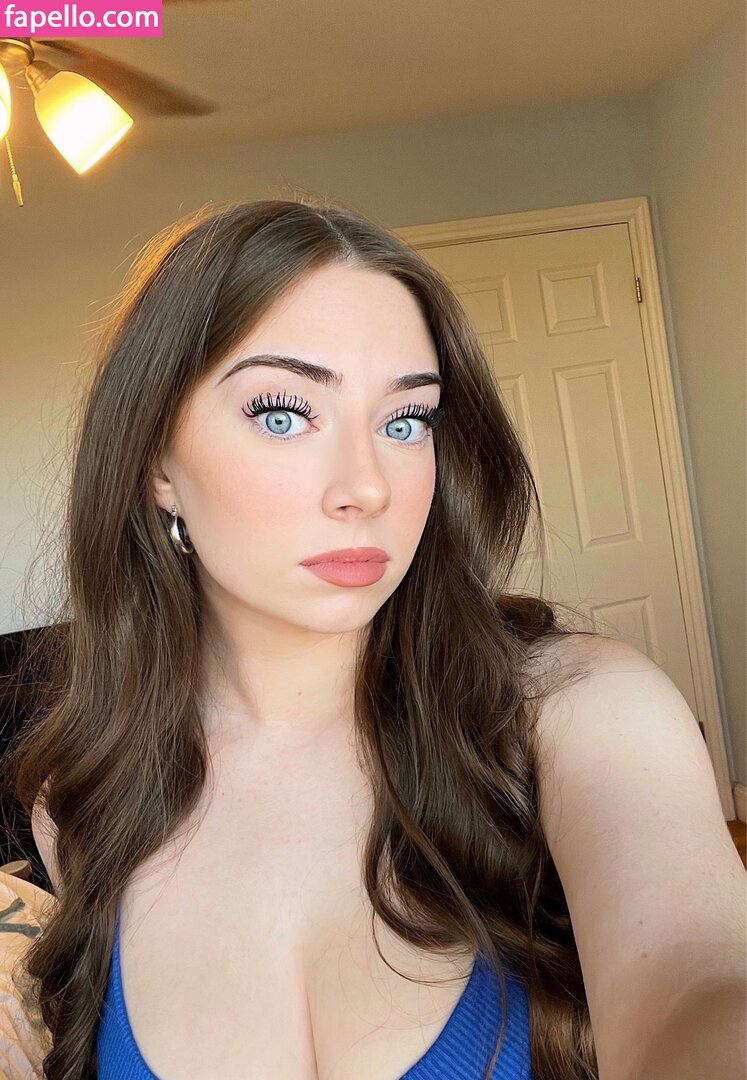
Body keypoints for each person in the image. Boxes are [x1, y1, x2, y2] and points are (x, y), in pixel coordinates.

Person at [3, 197, 743, 1080]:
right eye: (283, 414)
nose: (368, 486)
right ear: (157, 462)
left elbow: (700, 984)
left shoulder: (576, 712)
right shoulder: (83, 801)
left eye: (405, 421)